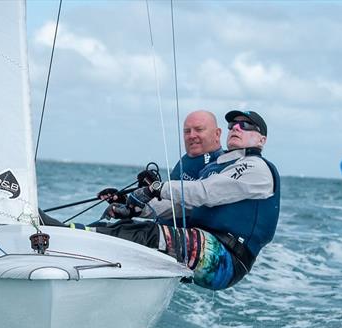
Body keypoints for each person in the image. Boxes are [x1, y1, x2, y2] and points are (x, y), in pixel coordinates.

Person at [91, 110, 280, 290]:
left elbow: (204, 192)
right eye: (232, 125)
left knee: (147, 234)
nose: (235, 128)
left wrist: (156, 188)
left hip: (226, 258)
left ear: (262, 140)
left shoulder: (258, 168)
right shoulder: (222, 167)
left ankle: (88, 241)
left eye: (245, 125)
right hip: (203, 241)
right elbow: (180, 207)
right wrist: (131, 206)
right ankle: (80, 234)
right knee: (131, 227)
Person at [96, 110, 224, 203]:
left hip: (185, 235)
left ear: (217, 134)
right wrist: (127, 200)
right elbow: (168, 205)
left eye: (199, 129)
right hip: (161, 227)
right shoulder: (187, 159)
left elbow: (192, 204)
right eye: (187, 131)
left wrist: (157, 189)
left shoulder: (220, 164)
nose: (191, 135)